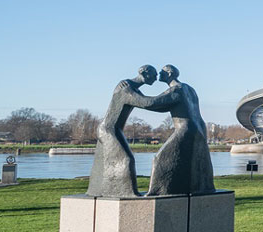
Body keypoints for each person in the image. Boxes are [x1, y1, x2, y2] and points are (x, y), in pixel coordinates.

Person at [87, 65, 161, 197]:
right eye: (154, 75)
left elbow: (149, 104)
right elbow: (147, 103)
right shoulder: (126, 89)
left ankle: (103, 190)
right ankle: (127, 193)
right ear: (145, 73)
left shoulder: (132, 88)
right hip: (108, 129)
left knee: (110, 162)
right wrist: (171, 96)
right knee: (126, 159)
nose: (156, 78)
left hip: (114, 129)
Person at [145, 64, 215, 196]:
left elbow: (153, 103)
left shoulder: (175, 90)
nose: (159, 73)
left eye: (162, 71)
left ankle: (158, 192)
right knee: (193, 162)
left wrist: (131, 95)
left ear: (170, 73)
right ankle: (194, 188)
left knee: (160, 159)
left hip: (185, 129)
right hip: (199, 127)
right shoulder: (189, 89)